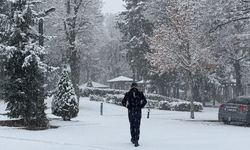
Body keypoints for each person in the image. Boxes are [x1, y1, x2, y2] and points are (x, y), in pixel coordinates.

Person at [122, 82, 147, 147]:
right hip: (134, 111)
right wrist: (139, 106)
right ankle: (134, 139)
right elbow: (123, 102)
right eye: (134, 86)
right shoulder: (130, 94)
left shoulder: (137, 93)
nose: (134, 88)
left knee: (134, 125)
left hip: (134, 111)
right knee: (134, 125)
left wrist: (138, 106)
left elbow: (145, 101)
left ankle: (135, 139)